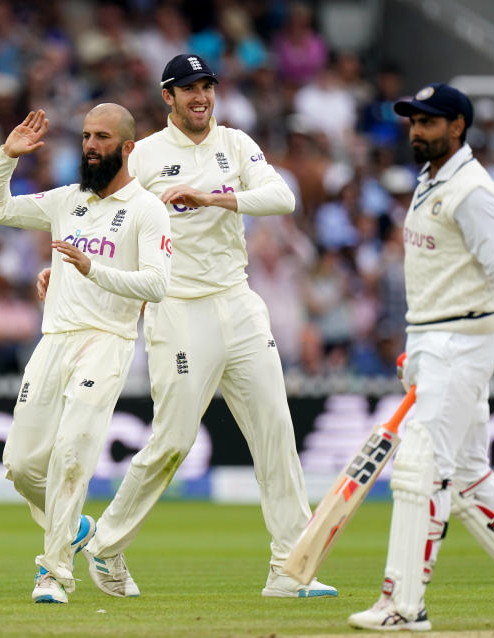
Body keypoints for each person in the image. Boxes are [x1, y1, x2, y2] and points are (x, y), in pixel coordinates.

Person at [41, 53, 336, 599]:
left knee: (275, 430)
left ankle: (290, 569)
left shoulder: (237, 145)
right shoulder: (147, 155)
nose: (200, 96)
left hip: (238, 300)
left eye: (206, 86)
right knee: (174, 439)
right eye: (188, 88)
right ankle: (105, 544)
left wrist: (213, 198)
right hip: (177, 307)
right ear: (168, 97)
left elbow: (282, 198)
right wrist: (58, 268)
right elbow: (94, 215)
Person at [348, 83, 494, 631]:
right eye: (412, 122)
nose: (416, 131)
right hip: (435, 340)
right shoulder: (430, 181)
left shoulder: (473, 189)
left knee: (421, 468)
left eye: (428, 122)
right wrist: (416, 351)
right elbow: (435, 276)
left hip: (463, 343)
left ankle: (403, 605)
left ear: (458, 127)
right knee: (469, 474)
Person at [0, 106, 171, 604]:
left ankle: (54, 573)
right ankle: (79, 528)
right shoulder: (68, 200)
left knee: (71, 454)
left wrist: (91, 268)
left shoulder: (146, 209)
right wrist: (6, 156)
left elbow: (157, 283)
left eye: (102, 137)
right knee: (20, 465)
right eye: (85, 135)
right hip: (54, 341)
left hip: (107, 342)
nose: (89, 145)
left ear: (128, 148)